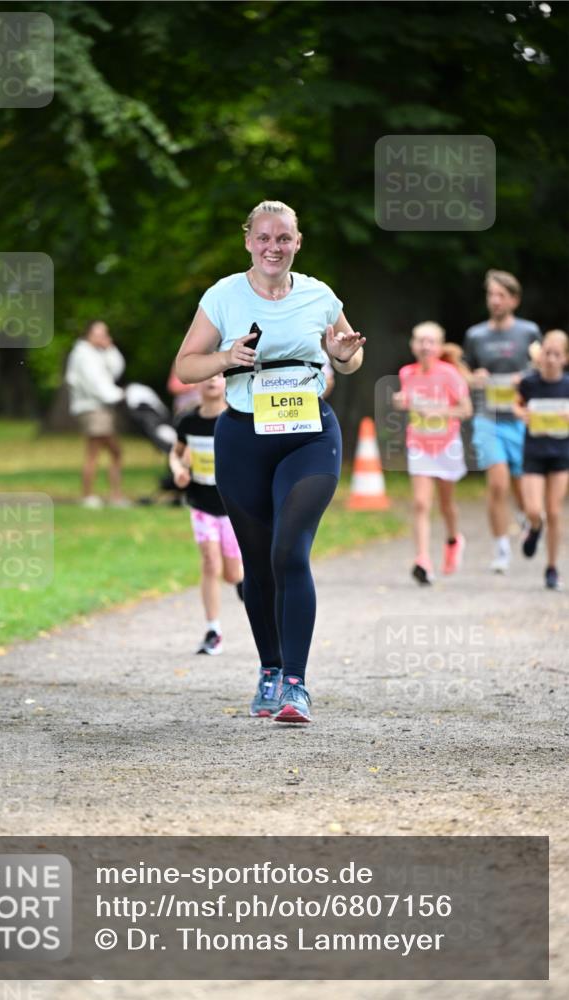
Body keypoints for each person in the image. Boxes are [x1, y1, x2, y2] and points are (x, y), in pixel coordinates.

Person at [175, 199, 365, 724]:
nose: (273, 247)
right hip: (243, 438)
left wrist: (345, 353)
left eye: (283, 238)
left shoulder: (319, 295)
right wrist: (225, 357)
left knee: (290, 549)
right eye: (264, 238)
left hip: (308, 435)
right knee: (258, 565)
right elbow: (186, 366)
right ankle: (270, 669)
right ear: (248, 241)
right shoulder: (223, 296)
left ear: (297, 243)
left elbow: (349, 356)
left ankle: (297, 685)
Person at [463, 270, 541, 572]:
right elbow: (465, 370)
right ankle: (501, 549)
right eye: (490, 295)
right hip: (487, 416)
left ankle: (526, 518)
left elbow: (546, 366)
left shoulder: (529, 332)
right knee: (497, 484)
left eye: (501, 295)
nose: (494, 301)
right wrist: (473, 377)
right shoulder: (476, 335)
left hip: (520, 417)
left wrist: (528, 377)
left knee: (522, 485)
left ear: (514, 300)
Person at [169, 374, 244, 655]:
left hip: (232, 506)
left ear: (227, 382)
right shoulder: (187, 421)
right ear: (195, 383)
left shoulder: (236, 419)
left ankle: (242, 581)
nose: (212, 381)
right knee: (210, 563)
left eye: (218, 376)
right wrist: (178, 470)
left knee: (232, 572)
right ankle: (213, 630)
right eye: (206, 376)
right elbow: (176, 454)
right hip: (201, 504)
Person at [393, 322, 473, 584]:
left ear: (439, 347)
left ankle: (453, 540)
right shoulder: (407, 373)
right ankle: (423, 560)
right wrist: (401, 400)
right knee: (420, 504)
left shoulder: (449, 374)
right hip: (419, 444)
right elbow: (408, 398)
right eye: (420, 341)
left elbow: (465, 409)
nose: (425, 346)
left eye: (430, 341)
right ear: (413, 345)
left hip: (446, 444)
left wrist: (438, 412)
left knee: (446, 504)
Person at [513, 330, 569, 590]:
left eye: (557, 354)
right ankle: (535, 527)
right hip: (534, 452)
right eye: (547, 353)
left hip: (561, 455)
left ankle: (552, 568)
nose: (551, 358)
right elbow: (516, 404)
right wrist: (521, 413)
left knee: (555, 511)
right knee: (534, 510)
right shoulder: (529, 382)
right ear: (540, 355)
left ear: (565, 358)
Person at [65, 320, 129, 509]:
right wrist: (117, 395)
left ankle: (113, 496)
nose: (104, 337)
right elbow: (94, 384)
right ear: (89, 334)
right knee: (99, 452)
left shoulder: (98, 353)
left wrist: (110, 348)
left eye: (106, 333)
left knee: (111, 452)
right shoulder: (83, 355)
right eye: (100, 334)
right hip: (93, 409)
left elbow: (116, 369)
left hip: (101, 408)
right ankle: (90, 495)